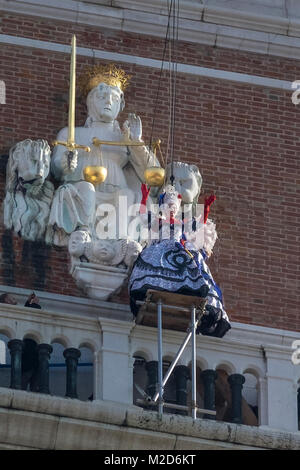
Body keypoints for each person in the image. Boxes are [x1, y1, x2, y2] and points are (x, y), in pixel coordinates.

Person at [46, 63, 160, 247]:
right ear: (91, 101)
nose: (108, 102)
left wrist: (137, 142)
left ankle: (120, 242)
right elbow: (57, 168)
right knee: (86, 189)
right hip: (83, 189)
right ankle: (83, 230)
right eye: (102, 97)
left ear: (120, 105)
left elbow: (151, 173)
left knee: (126, 195)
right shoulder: (73, 133)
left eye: (114, 98)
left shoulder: (124, 138)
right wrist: (67, 164)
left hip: (116, 190)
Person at [129, 184, 231, 338]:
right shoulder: (158, 221)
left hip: (178, 250)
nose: (172, 209)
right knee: (159, 267)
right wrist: (144, 197)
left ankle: (186, 292)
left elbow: (198, 225)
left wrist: (206, 208)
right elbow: (143, 216)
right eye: (169, 206)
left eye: (174, 206)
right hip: (161, 249)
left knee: (190, 264)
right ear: (163, 207)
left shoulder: (181, 224)